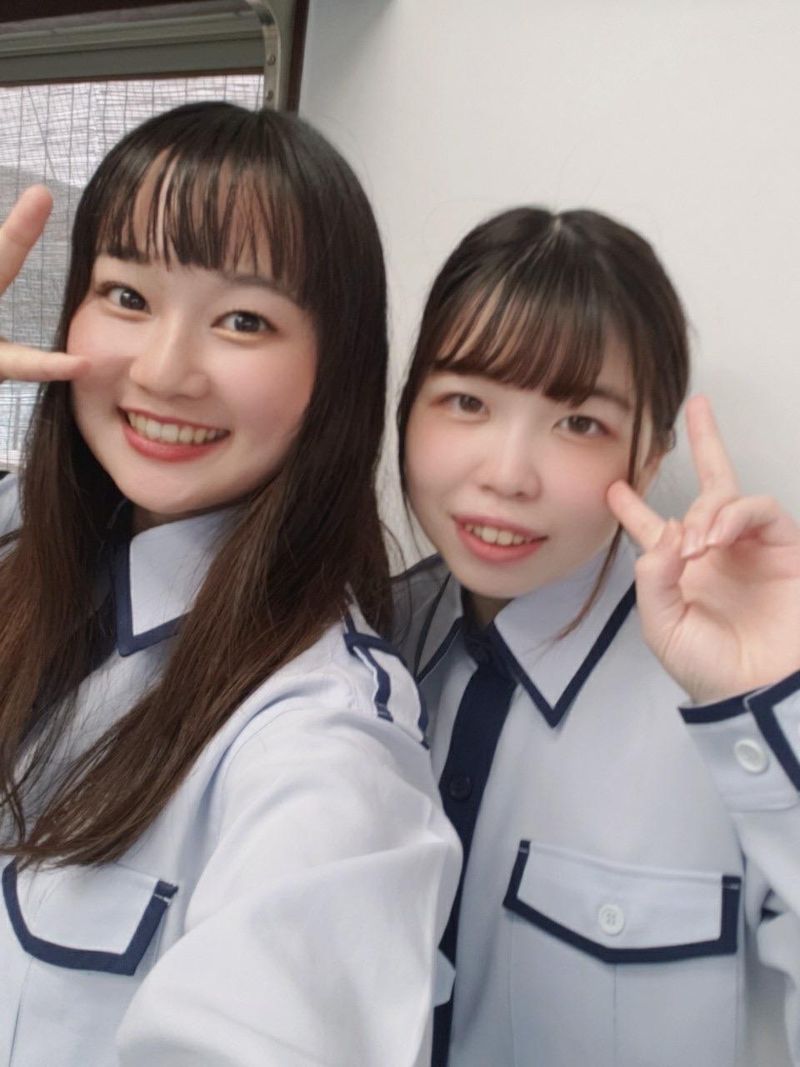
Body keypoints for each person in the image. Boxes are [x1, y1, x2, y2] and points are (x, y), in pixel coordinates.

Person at [0, 101, 459, 1066]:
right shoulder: (22, 550)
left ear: (336, 369)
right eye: (127, 295)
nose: (166, 370)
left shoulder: (322, 732)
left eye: (243, 320)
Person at [393, 206, 800, 1067]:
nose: (507, 475)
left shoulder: (731, 698)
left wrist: (778, 704)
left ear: (648, 459)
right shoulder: (364, 648)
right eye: (467, 401)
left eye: (579, 422)